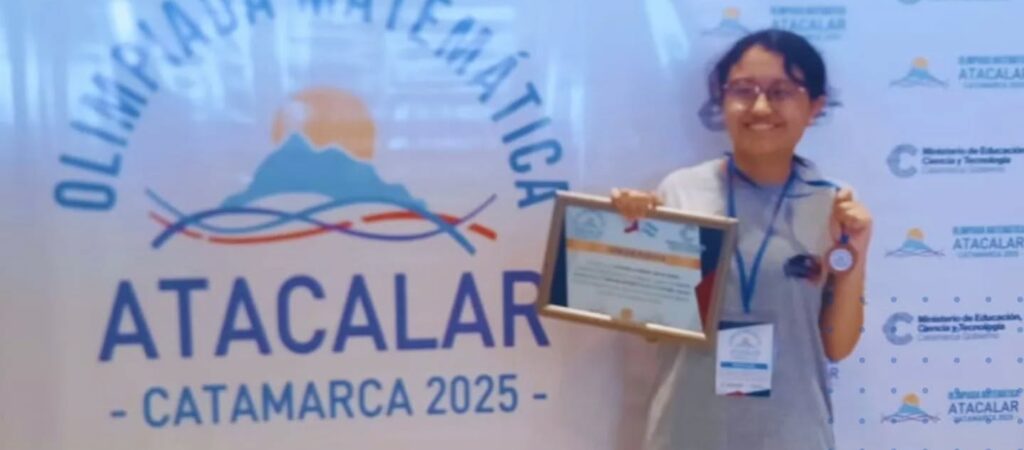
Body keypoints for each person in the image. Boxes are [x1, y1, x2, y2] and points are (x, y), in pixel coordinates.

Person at [611, 29, 872, 450]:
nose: (760, 107)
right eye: (743, 90)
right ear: (722, 100)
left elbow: (838, 345)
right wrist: (632, 236)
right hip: (686, 434)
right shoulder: (680, 192)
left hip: (794, 437)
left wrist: (857, 254)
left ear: (815, 107)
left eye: (781, 91)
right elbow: (652, 330)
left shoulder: (834, 205)